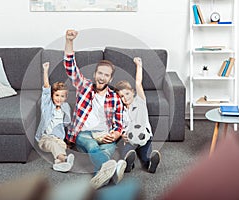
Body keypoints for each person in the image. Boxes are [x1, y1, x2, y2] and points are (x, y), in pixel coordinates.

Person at [63, 29, 128, 189]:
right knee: (92, 146)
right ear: (95, 73)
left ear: (110, 78)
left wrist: (115, 135)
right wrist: (69, 41)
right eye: (100, 73)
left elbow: (119, 124)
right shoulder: (84, 86)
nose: (102, 77)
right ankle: (113, 172)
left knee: (105, 150)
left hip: (105, 134)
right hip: (83, 133)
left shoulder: (115, 98)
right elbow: (70, 67)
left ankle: (101, 176)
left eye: (106, 75)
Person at [115, 57, 161, 174]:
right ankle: (129, 164)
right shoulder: (121, 110)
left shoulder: (140, 102)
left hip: (144, 137)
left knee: (145, 156)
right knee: (127, 153)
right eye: (121, 96)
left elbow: (138, 83)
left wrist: (138, 65)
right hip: (130, 139)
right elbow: (119, 126)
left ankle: (150, 164)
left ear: (133, 92)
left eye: (127, 93)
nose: (125, 98)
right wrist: (122, 135)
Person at [35, 62, 74, 172]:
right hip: (45, 138)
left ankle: (59, 164)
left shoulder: (65, 107)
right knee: (52, 145)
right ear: (52, 95)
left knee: (61, 146)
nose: (59, 99)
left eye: (62, 96)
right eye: (57, 95)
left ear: (66, 98)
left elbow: (67, 123)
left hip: (59, 139)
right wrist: (45, 70)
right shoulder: (47, 105)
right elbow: (46, 88)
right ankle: (64, 159)